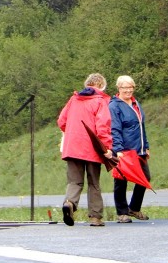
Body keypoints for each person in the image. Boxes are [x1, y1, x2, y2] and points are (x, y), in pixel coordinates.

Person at [58, 72, 113, 227]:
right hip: (92, 148)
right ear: (101, 86)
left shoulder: (74, 99)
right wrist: (107, 147)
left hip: (72, 146)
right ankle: (95, 217)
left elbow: (62, 121)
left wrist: (70, 132)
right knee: (93, 182)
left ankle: (69, 203)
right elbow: (103, 126)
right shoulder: (100, 101)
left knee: (74, 181)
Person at [110, 75, 151, 223]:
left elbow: (142, 126)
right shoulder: (114, 106)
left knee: (145, 178)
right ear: (118, 88)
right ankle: (122, 212)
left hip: (139, 148)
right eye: (125, 88)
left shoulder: (135, 103)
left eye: (130, 87)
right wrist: (118, 149)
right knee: (121, 181)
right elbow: (115, 129)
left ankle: (134, 208)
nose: (128, 90)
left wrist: (146, 146)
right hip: (124, 149)